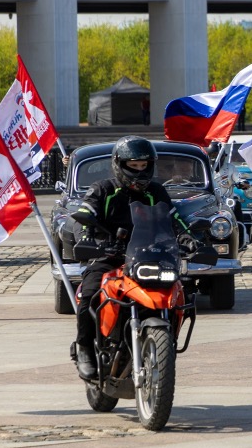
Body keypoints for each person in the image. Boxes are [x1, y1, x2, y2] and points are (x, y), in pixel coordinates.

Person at [69, 136, 195, 380]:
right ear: (119, 164)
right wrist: (86, 239)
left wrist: (188, 238)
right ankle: (84, 347)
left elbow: (173, 219)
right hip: (108, 256)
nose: (139, 171)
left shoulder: (156, 191)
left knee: (182, 293)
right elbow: (84, 214)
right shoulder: (103, 189)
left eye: (144, 165)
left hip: (148, 256)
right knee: (89, 293)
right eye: (133, 165)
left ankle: (165, 343)